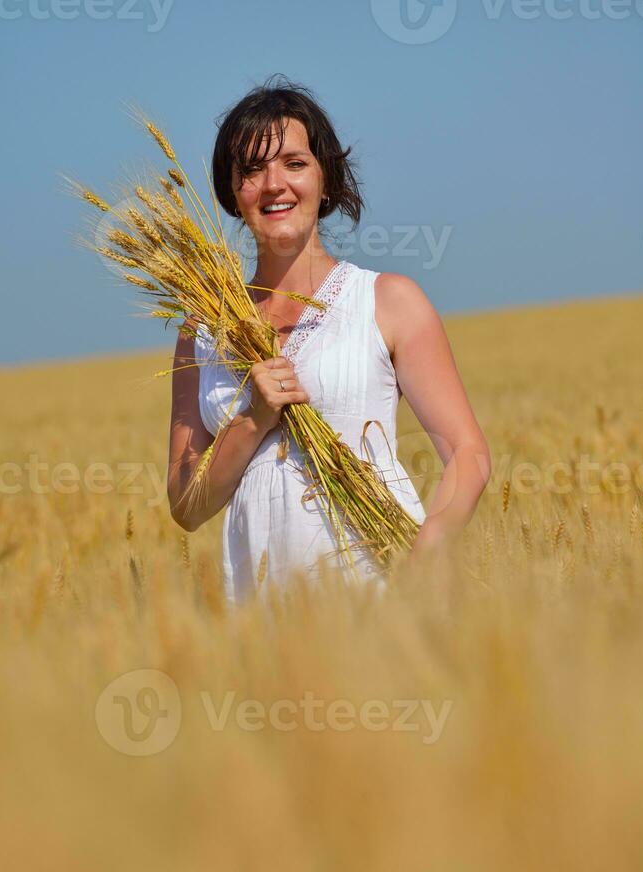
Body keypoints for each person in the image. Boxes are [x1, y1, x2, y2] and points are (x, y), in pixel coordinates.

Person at [167, 75, 492, 607]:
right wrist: (252, 419)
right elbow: (186, 506)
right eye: (251, 170)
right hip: (260, 620)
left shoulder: (386, 301)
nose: (273, 184)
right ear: (232, 192)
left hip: (381, 601)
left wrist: (423, 561)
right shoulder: (201, 332)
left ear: (324, 178)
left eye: (294, 163)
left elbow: (467, 453)